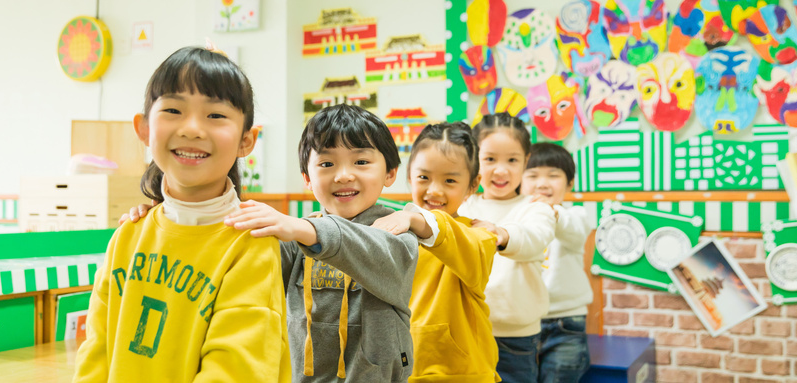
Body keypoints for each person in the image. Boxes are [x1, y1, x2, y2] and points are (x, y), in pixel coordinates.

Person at [72, 46, 291, 382]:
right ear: (143, 129)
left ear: (246, 140)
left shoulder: (252, 246)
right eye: (173, 109)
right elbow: (96, 352)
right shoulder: (128, 235)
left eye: (215, 115)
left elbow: (235, 370)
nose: (192, 129)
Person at [224, 104, 421, 382]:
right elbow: (246, 265)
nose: (343, 175)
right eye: (327, 164)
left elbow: (375, 250)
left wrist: (304, 229)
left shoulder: (397, 231)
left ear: (390, 173)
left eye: (361, 162)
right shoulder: (298, 234)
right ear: (307, 177)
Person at [373, 122, 503, 382]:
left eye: (450, 180)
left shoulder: (478, 236)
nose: (434, 190)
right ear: (408, 176)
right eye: (424, 177)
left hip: (463, 373)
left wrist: (416, 219)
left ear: (472, 185)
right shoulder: (391, 230)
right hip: (400, 371)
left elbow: (462, 242)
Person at [458, 112, 557, 383]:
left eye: (512, 160)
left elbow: (534, 237)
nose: (501, 170)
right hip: (467, 331)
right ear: (474, 158)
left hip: (516, 337)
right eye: (490, 159)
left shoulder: (536, 208)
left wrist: (501, 233)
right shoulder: (464, 206)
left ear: (526, 161)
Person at [523, 143, 593, 383]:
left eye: (553, 176)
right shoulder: (514, 222)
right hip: (523, 322)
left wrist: (549, 212)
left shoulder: (575, 216)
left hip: (566, 323)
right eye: (532, 176)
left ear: (569, 183)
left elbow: (571, 228)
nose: (542, 183)